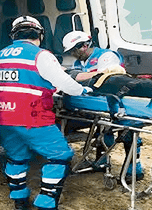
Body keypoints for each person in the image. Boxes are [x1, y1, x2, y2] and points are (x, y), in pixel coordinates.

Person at [0, 16, 90, 210]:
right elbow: (65, 82)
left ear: (13, 35)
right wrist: (83, 90)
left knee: (16, 157)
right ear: (39, 35)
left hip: (3, 117)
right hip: (32, 117)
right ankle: (47, 209)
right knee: (60, 155)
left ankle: (19, 202)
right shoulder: (41, 55)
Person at [62, 30, 145, 181]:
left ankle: (134, 169)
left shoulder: (106, 57)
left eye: (74, 50)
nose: (72, 54)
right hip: (95, 103)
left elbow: (107, 78)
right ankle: (101, 162)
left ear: (84, 46)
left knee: (128, 131)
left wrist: (72, 75)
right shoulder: (78, 63)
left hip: (117, 101)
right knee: (101, 131)